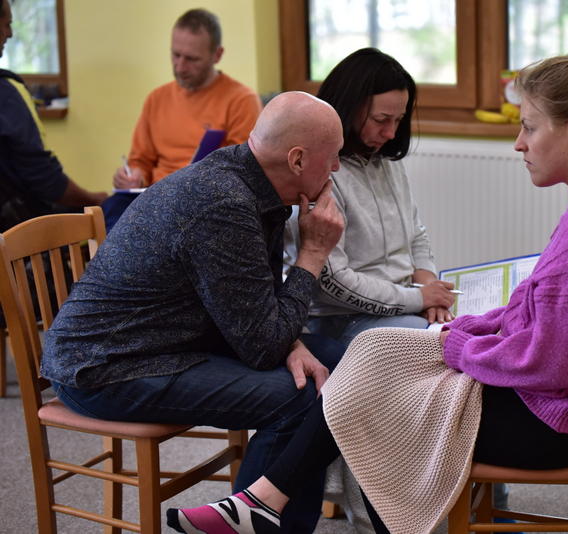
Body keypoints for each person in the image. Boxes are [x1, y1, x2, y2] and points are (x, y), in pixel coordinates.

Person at [167, 38, 568, 534]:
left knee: (378, 405)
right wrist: (470, 330)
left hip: (561, 420)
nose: (519, 142)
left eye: (529, 126)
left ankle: (263, 504)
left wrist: (457, 345)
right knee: (375, 362)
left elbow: (554, 363)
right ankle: (263, 503)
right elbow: (546, 323)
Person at [40, 91, 346, 532]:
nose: (336, 168)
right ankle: (254, 520)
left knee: (339, 362)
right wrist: (313, 253)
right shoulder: (224, 203)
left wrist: (292, 341)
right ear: (297, 159)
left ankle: (260, 513)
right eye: (333, 156)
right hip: (108, 366)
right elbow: (262, 346)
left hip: (171, 341)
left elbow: (255, 305)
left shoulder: (254, 183)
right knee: (301, 398)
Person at [284, 48, 456, 349]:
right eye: (381, 119)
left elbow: (416, 234)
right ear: (349, 108)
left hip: (402, 303)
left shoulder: (386, 162)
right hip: (342, 317)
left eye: (399, 120)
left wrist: (429, 286)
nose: (391, 133)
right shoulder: (320, 174)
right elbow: (333, 282)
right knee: (449, 346)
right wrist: (418, 299)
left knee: (476, 331)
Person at [112, 8, 261, 190]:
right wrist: (134, 177)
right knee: (110, 205)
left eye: (192, 59)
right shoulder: (156, 99)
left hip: (207, 194)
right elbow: (140, 162)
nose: (180, 67)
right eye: (176, 55)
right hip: (154, 195)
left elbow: (242, 171)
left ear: (217, 55)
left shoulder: (241, 101)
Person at [0, 0, 107, 232]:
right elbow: (45, 179)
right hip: (16, 232)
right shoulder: (7, 93)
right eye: (6, 24)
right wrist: (94, 200)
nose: (10, 33)